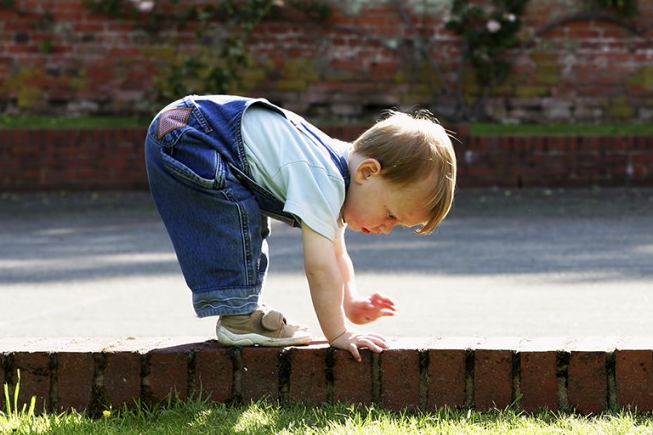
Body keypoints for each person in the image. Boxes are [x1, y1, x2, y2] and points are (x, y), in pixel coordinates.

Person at [144, 95, 457, 361]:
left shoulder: (337, 170)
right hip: (191, 135)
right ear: (368, 172)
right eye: (390, 214)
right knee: (237, 213)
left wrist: (351, 302)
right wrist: (339, 334)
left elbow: (337, 255)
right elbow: (320, 267)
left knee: (241, 208)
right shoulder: (325, 178)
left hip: (186, 126)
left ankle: (239, 311)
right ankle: (239, 317)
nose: (386, 228)